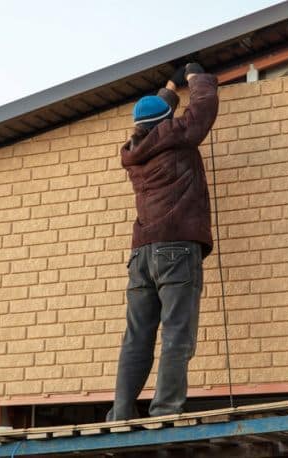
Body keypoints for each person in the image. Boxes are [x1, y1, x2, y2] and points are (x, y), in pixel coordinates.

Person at [106, 63, 219, 421]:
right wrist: (196, 77)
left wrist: (169, 88)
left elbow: (153, 117)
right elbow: (202, 109)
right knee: (176, 335)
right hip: (176, 249)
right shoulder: (178, 135)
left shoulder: (133, 151)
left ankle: (121, 413)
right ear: (168, 119)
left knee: (137, 337)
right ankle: (165, 411)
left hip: (141, 254)